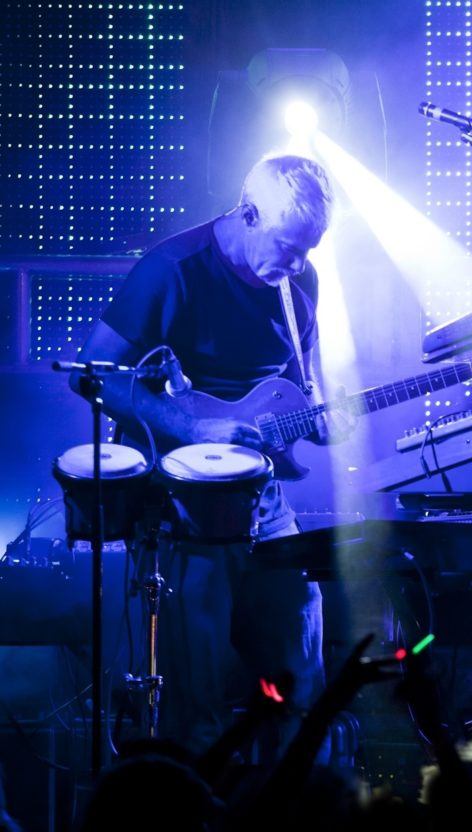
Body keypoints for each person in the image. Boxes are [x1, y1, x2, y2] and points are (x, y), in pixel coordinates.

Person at [70, 154, 341, 751]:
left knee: (301, 672)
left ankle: (303, 792)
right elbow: (93, 375)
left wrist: (323, 418)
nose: (298, 264)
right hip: (179, 507)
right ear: (249, 214)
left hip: (265, 503)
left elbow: (307, 384)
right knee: (196, 699)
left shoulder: (300, 282)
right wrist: (193, 429)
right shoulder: (173, 269)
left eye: (309, 250)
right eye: (289, 246)